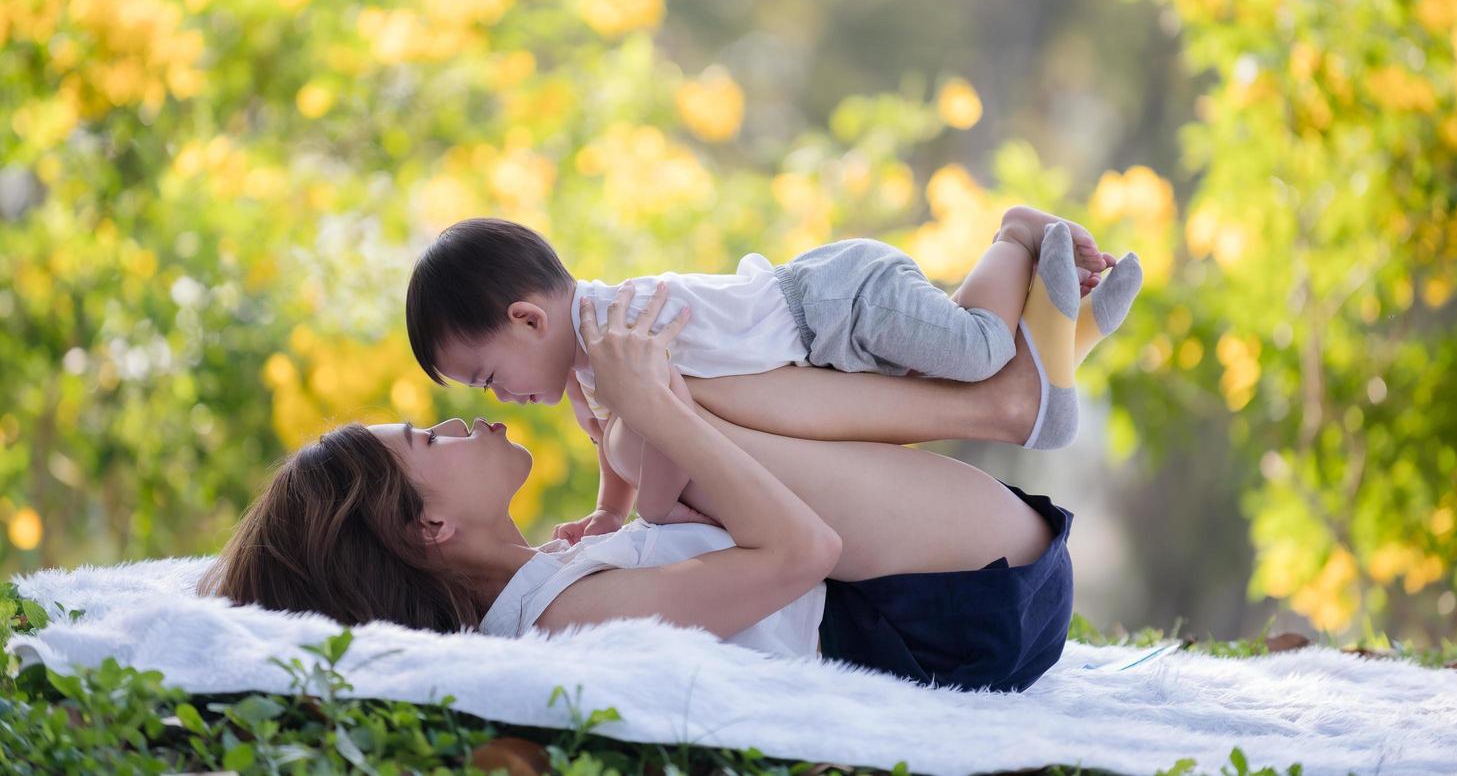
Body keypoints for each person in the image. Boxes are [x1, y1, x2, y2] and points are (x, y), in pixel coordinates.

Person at [205, 285, 1078, 692]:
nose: (466, 421)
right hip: (952, 620)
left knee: (669, 411)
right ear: (428, 525)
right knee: (670, 407)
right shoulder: (558, 618)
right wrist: (655, 411)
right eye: (429, 436)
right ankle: (997, 392)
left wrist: (651, 425)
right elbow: (805, 551)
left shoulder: (547, 576)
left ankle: (994, 376)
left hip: (963, 581)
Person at [404, 207, 1141, 538]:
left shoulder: (617, 330)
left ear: (527, 319)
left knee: (977, 353)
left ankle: (1011, 237)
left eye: (488, 375)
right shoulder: (585, 367)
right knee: (955, 378)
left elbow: (665, 427)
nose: (500, 398)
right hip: (825, 339)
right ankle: (1063, 343)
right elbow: (614, 444)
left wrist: (653, 510)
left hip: (837, 299)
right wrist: (608, 510)